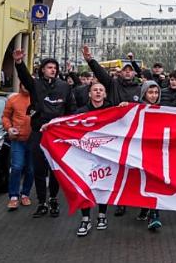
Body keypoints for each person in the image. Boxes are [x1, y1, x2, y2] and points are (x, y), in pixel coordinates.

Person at [13, 49, 75, 218]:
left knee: (55, 170)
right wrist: (19, 63)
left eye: (55, 67)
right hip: (39, 133)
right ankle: (42, 202)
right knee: (39, 169)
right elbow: (25, 77)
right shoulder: (36, 85)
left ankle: (53, 200)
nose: (53, 69)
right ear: (42, 69)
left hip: (57, 135)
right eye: (49, 67)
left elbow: (71, 110)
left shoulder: (65, 87)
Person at [82, 46, 141, 217]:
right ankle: (120, 202)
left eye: (131, 70)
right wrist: (90, 60)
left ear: (134, 74)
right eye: (125, 70)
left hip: (134, 135)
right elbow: (100, 74)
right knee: (117, 169)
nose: (128, 73)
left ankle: (136, 198)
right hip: (115, 134)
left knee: (133, 169)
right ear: (120, 73)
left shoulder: (140, 88)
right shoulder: (113, 84)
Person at [75, 83, 111, 236]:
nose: (98, 92)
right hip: (86, 155)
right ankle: (85, 218)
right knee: (85, 185)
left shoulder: (112, 111)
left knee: (103, 184)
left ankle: (102, 216)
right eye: (95, 90)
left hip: (106, 155)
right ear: (89, 94)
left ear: (105, 94)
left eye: (101, 90)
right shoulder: (81, 112)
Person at [134, 81, 165, 231]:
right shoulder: (135, 109)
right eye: (150, 93)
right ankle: (146, 208)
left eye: (156, 93)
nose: (153, 96)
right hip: (140, 151)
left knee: (153, 182)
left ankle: (154, 214)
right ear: (144, 94)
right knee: (141, 181)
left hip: (157, 152)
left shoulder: (163, 110)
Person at [1, 83, 33, 211]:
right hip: (18, 140)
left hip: (33, 140)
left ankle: (25, 194)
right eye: (24, 82)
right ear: (20, 85)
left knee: (31, 170)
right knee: (16, 167)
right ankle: (13, 196)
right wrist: (9, 128)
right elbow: (5, 117)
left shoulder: (37, 98)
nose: (26, 85)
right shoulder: (13, 99)